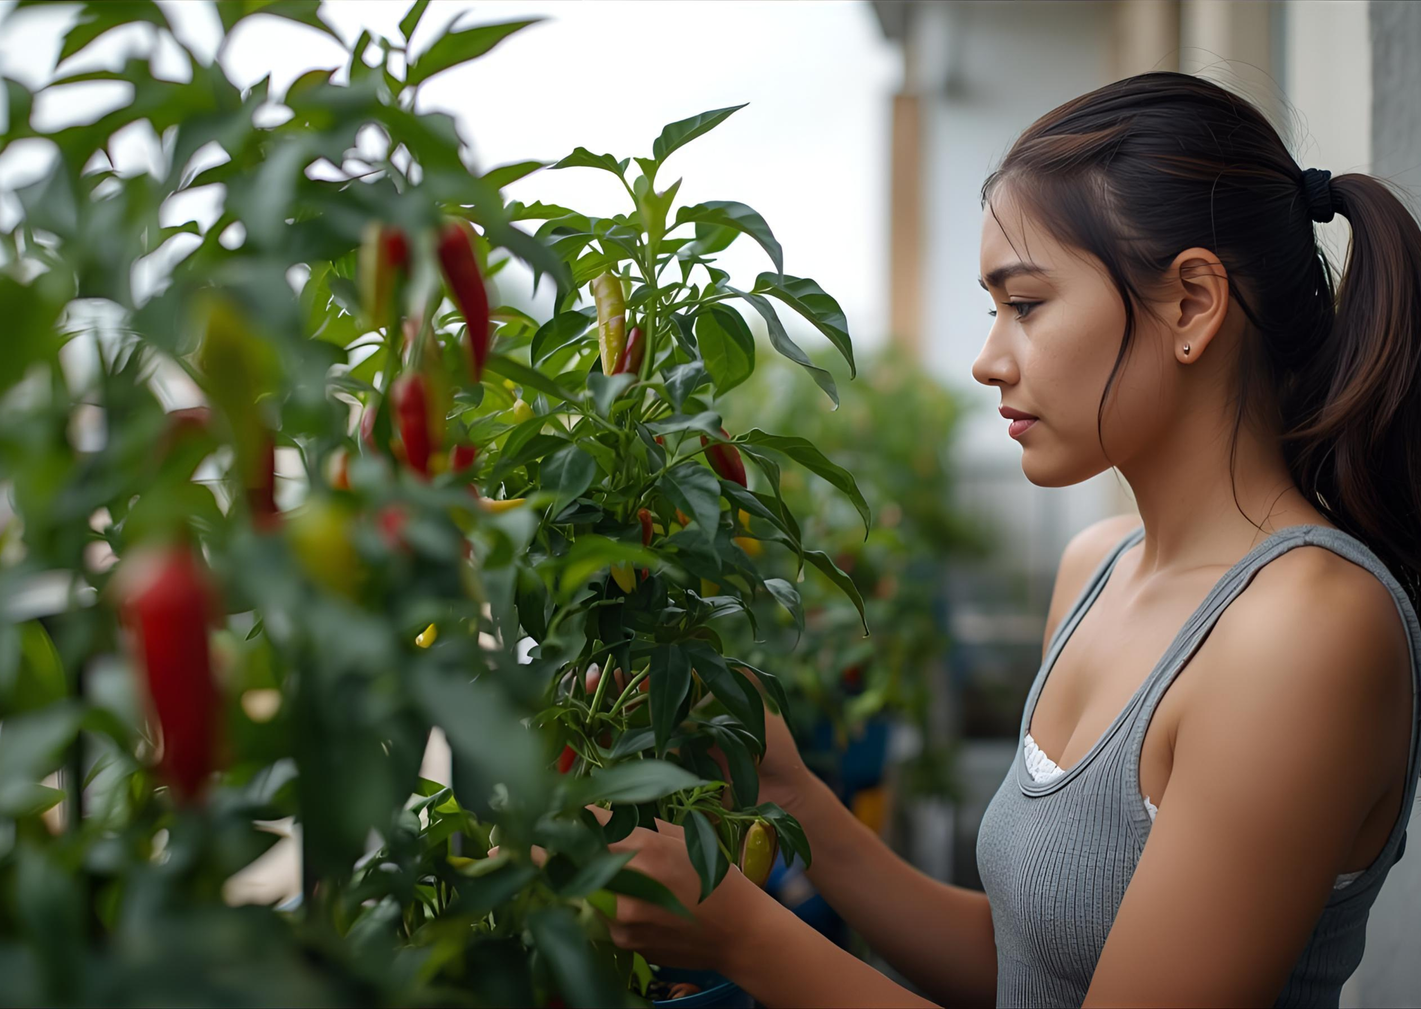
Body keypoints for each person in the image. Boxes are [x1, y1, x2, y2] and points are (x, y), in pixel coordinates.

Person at [565, 72, 1421, 1008]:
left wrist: (744, 934)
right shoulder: (1097, 568)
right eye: (993, 310)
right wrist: (796, 794)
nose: (988, 359)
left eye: (1026, 305)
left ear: (1191, 304)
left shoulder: (1306, 631)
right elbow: (1028, 967)